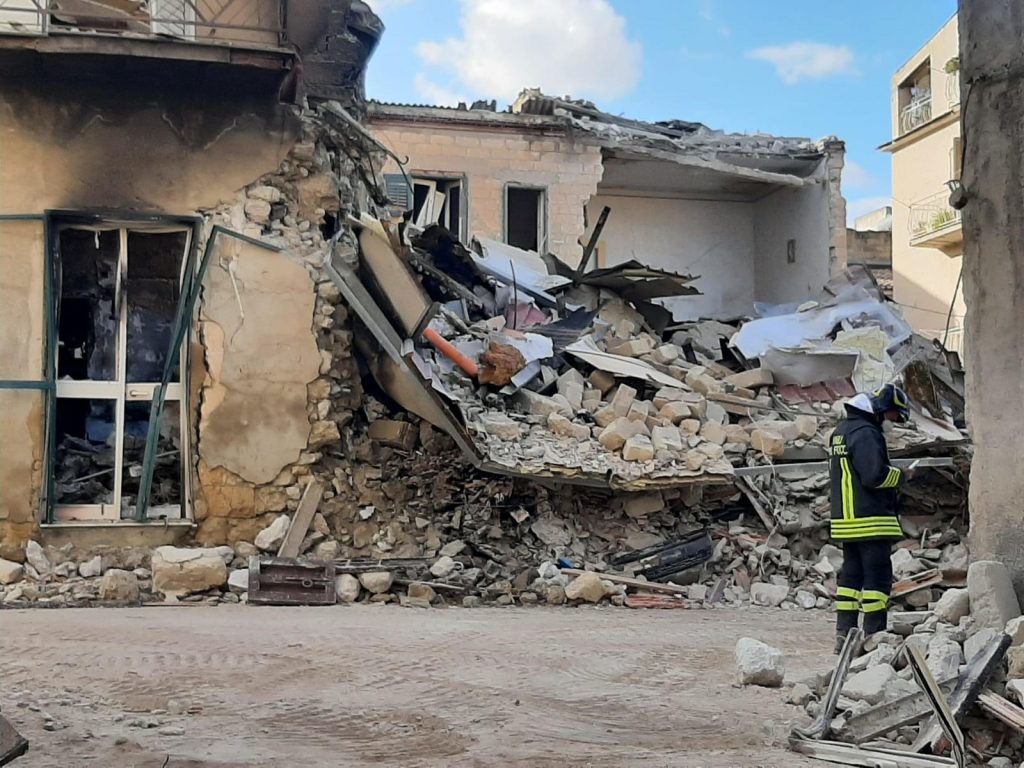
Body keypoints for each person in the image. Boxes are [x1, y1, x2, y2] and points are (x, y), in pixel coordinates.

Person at [828, 384, 912, 653]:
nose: (892, 423)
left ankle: (844, 634)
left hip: (846, 520)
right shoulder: (866, 433)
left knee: (851, 578)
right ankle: (874, 634)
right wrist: (902, 476)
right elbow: (874, 476)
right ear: (881, 410)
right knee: (877, 580)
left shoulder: (840, 432)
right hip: (871, 519)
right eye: (893, 416)